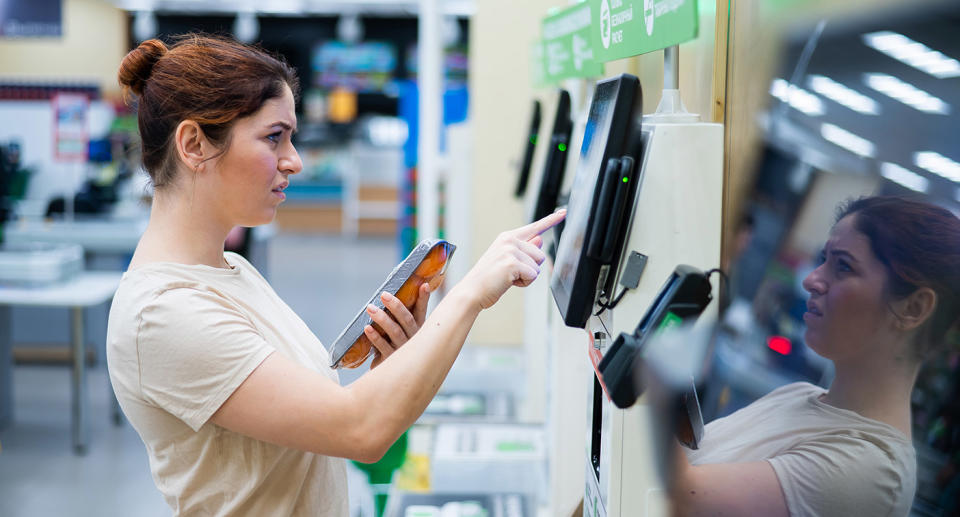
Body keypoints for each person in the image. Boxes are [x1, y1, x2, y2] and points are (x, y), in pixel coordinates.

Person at [106, 35, 565, 516]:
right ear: (194, 144)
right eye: (273, 137)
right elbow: (357, 431)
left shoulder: (231, 270)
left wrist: (388, 362)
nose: (294, 160)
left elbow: (328, 426)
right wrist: (470, 294)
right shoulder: (162, 314)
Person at [672, 196, 960, 516]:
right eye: (824, 259)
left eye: (843, 266)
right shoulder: (799, 394)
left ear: (914, 308)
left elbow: (678, 494)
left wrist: (650, 367)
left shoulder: (873, 471)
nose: (811, 279)